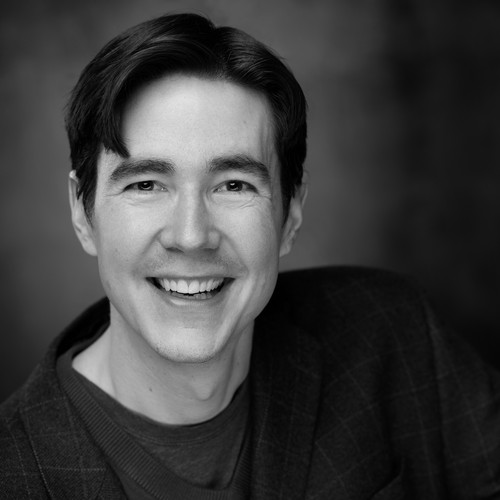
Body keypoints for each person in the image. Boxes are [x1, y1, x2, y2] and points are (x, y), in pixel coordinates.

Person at [1, 12, 500, 500]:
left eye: (234, 184)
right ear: (82, 211)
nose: (191, 236)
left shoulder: (392, 334)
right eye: (146, 184)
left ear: (291, 212)